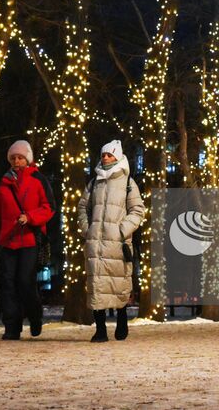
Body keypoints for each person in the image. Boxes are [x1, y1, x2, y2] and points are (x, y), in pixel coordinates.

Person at [0, 139, 53, 340]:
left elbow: (49, 207)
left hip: (29, 240)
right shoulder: (3, 183)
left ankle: (35, 316)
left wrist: (30, 217)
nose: (16, 161)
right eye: (13, 158)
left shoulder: (38, 179)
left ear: (27, 159)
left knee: (25, 281)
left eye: (20, 157)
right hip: (7, 241)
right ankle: (11, 327)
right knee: (8, 283)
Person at [78, 139, 145, 342]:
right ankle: (100, 329)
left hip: (117, 242)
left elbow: (138, 210)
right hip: (96, 242)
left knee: (119, 283)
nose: (105, 158)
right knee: (96, 284)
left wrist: (122, 230)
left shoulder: (127, 182)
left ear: (117, 156)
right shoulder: (94, 182)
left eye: (109, 155)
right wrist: (87, 229)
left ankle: (122, 319)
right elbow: (83, 208)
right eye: (103, 155)